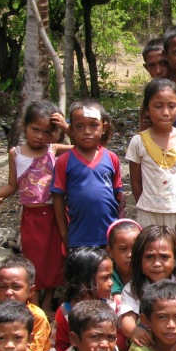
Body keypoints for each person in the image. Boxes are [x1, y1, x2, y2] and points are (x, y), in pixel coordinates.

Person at [0, 99, 69, 314]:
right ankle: (34, 304)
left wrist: (66, 127)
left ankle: (47, 301)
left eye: (47, 132)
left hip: (54, 215)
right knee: (33, 261)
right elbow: (11, 185)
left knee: (54, 260)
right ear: (24, 125)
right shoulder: (15, 154)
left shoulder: (52, 150)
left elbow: (84, 144)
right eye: (35, 129)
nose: (40, 136)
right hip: (31, 217)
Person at [118, 226, 176, 351]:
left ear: (175, 260)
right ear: (140, 260)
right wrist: (134, 331)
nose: (156, 263)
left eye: (164, 257)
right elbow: (126, 320)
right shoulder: (133, 288)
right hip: (148, 349)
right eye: (150, 257)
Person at [127, 79, 176, 228]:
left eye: (172, 106)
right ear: (147, 109)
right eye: (158, 106)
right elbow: (135, 181)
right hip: (148, 213)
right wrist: (145, 205)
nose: (166, 113)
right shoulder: (138, 141)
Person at [52, 98, 124, 249]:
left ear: (104, 127)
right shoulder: (64, 161)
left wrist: (119, 231)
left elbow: (119, 197)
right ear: (71, 130)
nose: (87, 131)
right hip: (78, 237)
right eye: (79, 126)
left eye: (93, 125)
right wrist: (65, 235)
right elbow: (58, 199)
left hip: (109, 237)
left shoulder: (112, 159)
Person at [55, 247, 114, 351]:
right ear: (85, 281)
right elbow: (60, 345)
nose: (111, 283)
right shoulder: (65, 312)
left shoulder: (112, 306)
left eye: (111, 277)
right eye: (105, 278)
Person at [0, 255, 51, 351]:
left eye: (16, 287)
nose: (8, 292)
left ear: (30, 291)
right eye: (2, 287)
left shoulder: (36, 316)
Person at [106, 219, 141, 297]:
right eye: (123, 249)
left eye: (135, 248)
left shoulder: (147, 273)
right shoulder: (105, 276)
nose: (130, 255)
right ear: (110, 252)